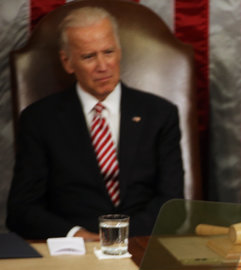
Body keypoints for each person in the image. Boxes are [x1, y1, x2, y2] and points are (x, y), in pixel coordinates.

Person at [6, 6, 184, 239]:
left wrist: (121, 236)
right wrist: (75, 234)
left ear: (119, 52)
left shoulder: (160, 114)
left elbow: (172, 203)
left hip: (143, 243)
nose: (102, 66)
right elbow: (21, 210)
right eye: (89, 56)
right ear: (68, 62)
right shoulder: (39, 120)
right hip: (73, 253)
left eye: (108, 52)